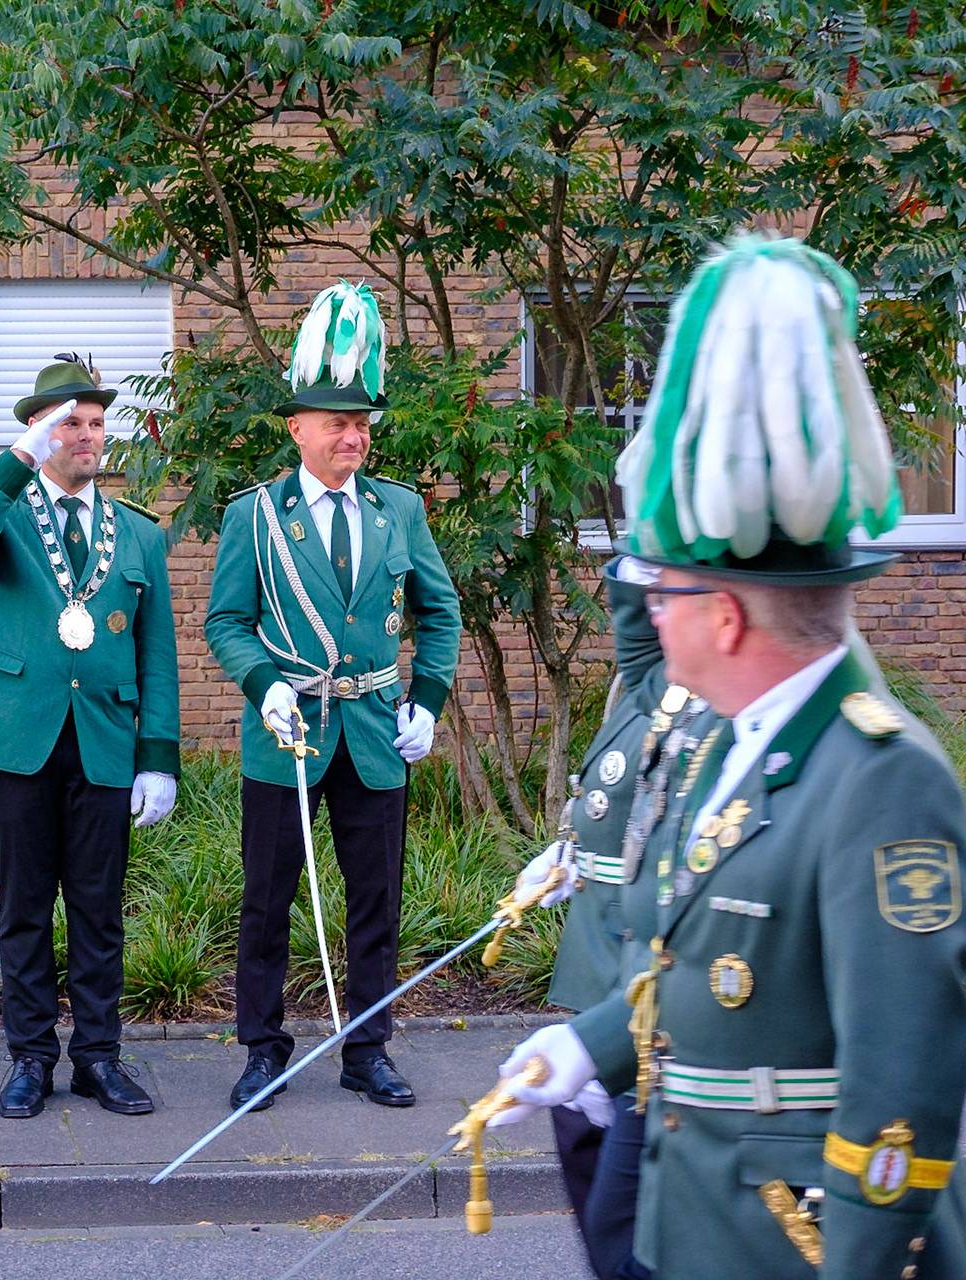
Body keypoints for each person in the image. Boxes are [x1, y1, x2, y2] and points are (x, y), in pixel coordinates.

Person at [489, 236, 966, 1280]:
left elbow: (903, 1092)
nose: (647, 614)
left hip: (790, 1243)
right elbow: (689, 966)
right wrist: (588, 1046)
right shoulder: (729, 742)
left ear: (729, 615)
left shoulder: (883, 776)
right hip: (697, 1213)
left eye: (661, 593)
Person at [205, 285, 461, 1110]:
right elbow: (227, 620)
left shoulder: (400, 510)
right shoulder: (255, 517)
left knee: (376, 901)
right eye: (335, 422)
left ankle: (369, 1049)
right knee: (268, 900)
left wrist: (426, 699)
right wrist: (263, 684)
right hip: (287, 732)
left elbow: (441, 610)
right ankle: (262, 1050)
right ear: (298, 429)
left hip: (376, 734)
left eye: (362, 424)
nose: (353, 436)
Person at [0, 356, 180, 1119]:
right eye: (69, 422)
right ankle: (31, 1058)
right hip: (17, 738)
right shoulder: (3, 511)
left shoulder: (136, 533)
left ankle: (100, 1058)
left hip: (104, 738)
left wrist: (158, 758)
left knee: (101, 911)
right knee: (26, 908)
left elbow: (156, 651)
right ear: (41, 431)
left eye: (96, 422)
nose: (86, 435)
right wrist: (17, 462)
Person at [514, 555, 686, 1280]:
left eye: (676, 596)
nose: (657, 612)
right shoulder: (659, 686)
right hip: (603, 944)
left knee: (622, 1207)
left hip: (636, 959)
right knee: (590, 1153)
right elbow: (634, 625)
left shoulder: (703, 706)